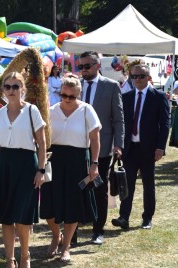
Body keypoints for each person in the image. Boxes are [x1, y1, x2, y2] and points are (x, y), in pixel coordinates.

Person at [0, 72, 46, 268]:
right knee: (6, 215)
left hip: (26, 163)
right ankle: (10, 258)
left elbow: (42, 143)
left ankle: (25, 256)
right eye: (7, 86)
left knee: (23, 216)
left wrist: (41, 170)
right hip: (5, 164)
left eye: (15, 86)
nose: (11, 90)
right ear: (3, 89)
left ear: (22, 89)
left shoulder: (32, 111)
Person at [40, 76, 101, 263]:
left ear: (78, 95)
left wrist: (95, 163)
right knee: (50, 202)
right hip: (54, 158)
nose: (66, 99)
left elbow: (95, 139)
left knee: (72, 204)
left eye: (71, 96)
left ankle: (66, 247)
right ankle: (55, 236)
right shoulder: (50, 111)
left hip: (77, 159)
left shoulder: (86, 110)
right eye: (63, 95)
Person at [112, 64, 170, 230]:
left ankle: (147, 218)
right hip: (129, 148)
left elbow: (165, 124)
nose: (137, 79)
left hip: (149, 148)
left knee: (148, 185)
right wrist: (119, 145)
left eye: (141, 76)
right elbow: (121, 123)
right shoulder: (127, 96)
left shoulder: (158, 96)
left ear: (148, 77)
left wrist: (160, 147)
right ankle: (124, 217)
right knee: (126, 184)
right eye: (134, 76)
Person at [77, 51, 124, 245]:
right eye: (81, 67)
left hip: (102, 148)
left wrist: (118, 144)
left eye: (87, 66)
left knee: (99, 188)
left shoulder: (111, 86)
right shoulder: (75, 86)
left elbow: (118, 118)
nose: (83, 70)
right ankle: (74, 228)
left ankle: (98, 230)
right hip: (77, 146)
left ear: (97, 66)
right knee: (78, 187)